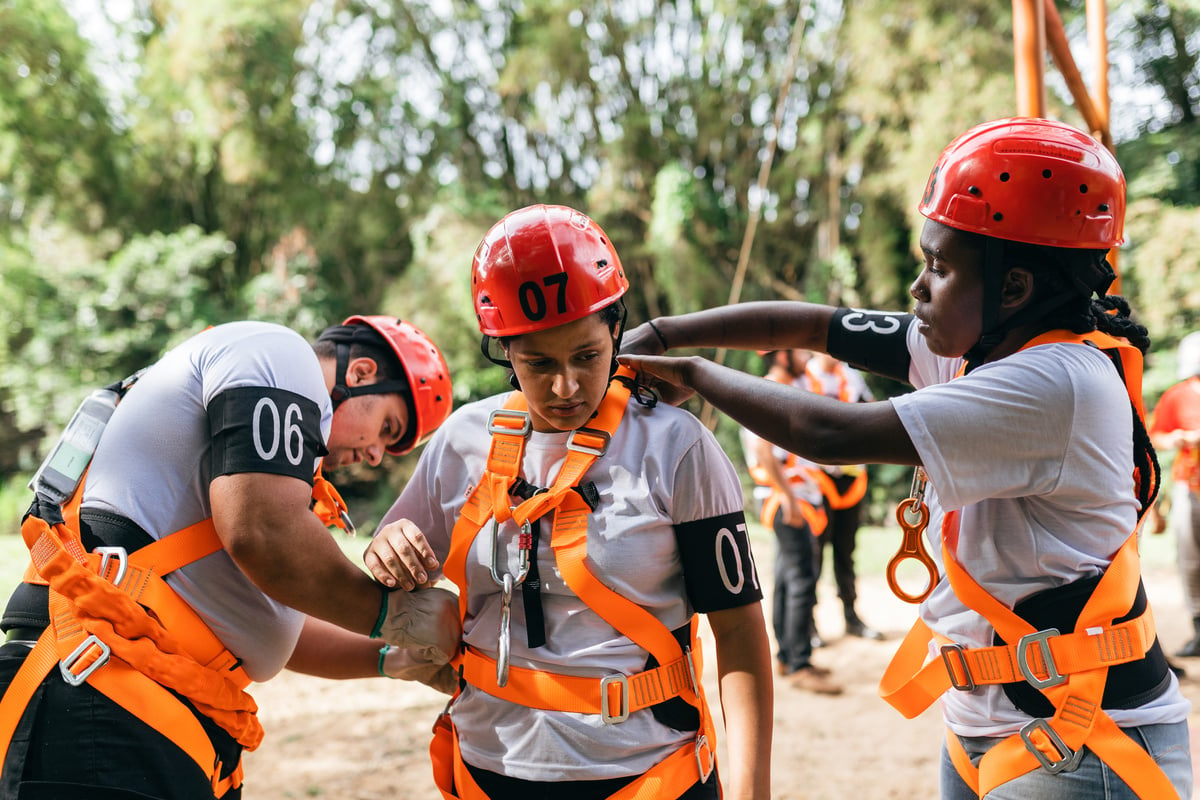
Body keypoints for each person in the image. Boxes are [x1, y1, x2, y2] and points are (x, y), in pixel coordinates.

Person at [619, 117, 1192, 799]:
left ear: (1013, 290)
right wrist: (661, 333)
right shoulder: (976, 346)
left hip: (1087, 741)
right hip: (990, 722)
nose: (919, 288)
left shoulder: (1054, 382)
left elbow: (829, 433)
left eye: (941, 268)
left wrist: (695, 371)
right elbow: (808, 325)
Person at [364, 204, 773, 800]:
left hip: (645, 774)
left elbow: (738, 630)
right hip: (488, 768)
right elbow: (391, 560)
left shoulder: (677, 448)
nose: (566, 387)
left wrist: (752, 791)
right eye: (537, 364)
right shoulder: (462, 442)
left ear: (616, 330)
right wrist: (385, 548)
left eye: (586, 355)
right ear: (503, 351)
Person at [0, 315, 462, 800]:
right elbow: (261, 532)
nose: (376, 455)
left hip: (131, 697)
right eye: (388, 427)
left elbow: (274, 622)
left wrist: (391, 657)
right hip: (97, 689)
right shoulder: (280, 354)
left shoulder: (262, 462)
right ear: (362, 373)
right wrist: (393, 614)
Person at [742, 349, 841, 693]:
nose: (808, 355)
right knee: (801, 578)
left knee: (788, 577)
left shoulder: (786, 388)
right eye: (799, 350)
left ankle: (788, 656)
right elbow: (763, 452)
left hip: (794, 497)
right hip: (786, 500)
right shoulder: (768, 392)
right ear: (780, 355)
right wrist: (788, 496)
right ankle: (799, 663)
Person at [801, 352, 884, 643]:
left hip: (850, 476)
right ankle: (808, 624)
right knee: (813, 553)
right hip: (818, 478)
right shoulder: (803, 376)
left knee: (846, 551)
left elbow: (871, 410)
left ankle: (851, 616)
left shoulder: (851, 375)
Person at [1148, 331, 1200, 657]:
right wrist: (1180, 438)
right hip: (1189, 485)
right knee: (1191, 559)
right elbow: (1156, 436)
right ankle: (1199, 628)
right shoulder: (1176, 396)